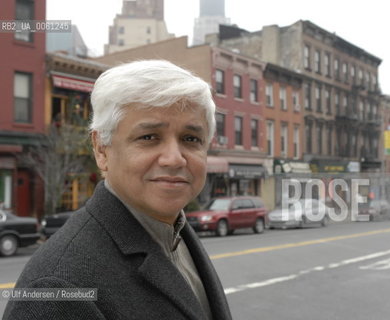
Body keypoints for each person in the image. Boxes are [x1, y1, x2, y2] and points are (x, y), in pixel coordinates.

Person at [4, 60, 232, 320]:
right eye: (149, 137)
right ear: (102, 149)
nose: (174, 159)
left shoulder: (175, 231)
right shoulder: (58, 286)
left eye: (190, 139)